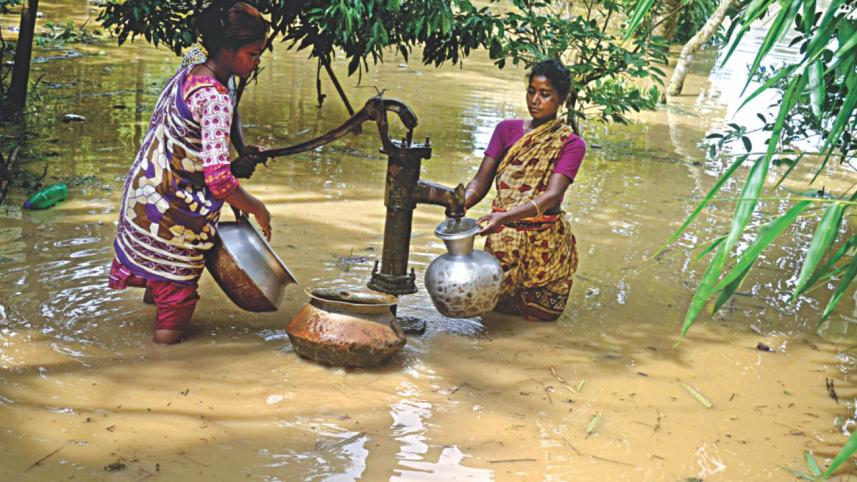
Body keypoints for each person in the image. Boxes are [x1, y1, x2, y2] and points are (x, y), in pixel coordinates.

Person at [108, 2, 271, 344]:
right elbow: (219, 181)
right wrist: (258, 208)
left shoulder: (193, 71)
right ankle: (163, 364)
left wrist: (241, 148)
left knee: (160, 281)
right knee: (176, 302)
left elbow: (220, 120)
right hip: (171, 213)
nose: (257, 62)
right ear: (228, 47)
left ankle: (154, 324)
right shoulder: (215, 100)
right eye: (253, 54)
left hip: (145, 198)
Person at [463, 59, 585, 322]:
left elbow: (552, 195)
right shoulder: (505, 130)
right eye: (531, 91)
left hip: (545, 247)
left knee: (540, 323)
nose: (535, 100)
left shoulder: (571, 144)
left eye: (545, 94)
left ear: (562, 98)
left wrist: (505, 217)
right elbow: (480, 182)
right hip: (504, 243)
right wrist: (459, 204)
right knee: (490, 319)